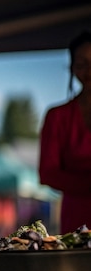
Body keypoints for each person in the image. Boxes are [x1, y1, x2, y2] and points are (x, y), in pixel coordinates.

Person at [39, 30, 91, 234]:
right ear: (72, 68)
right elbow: (47, 172)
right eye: (82, 64)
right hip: (77, 218)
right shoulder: (57, 116)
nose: (89, 71)